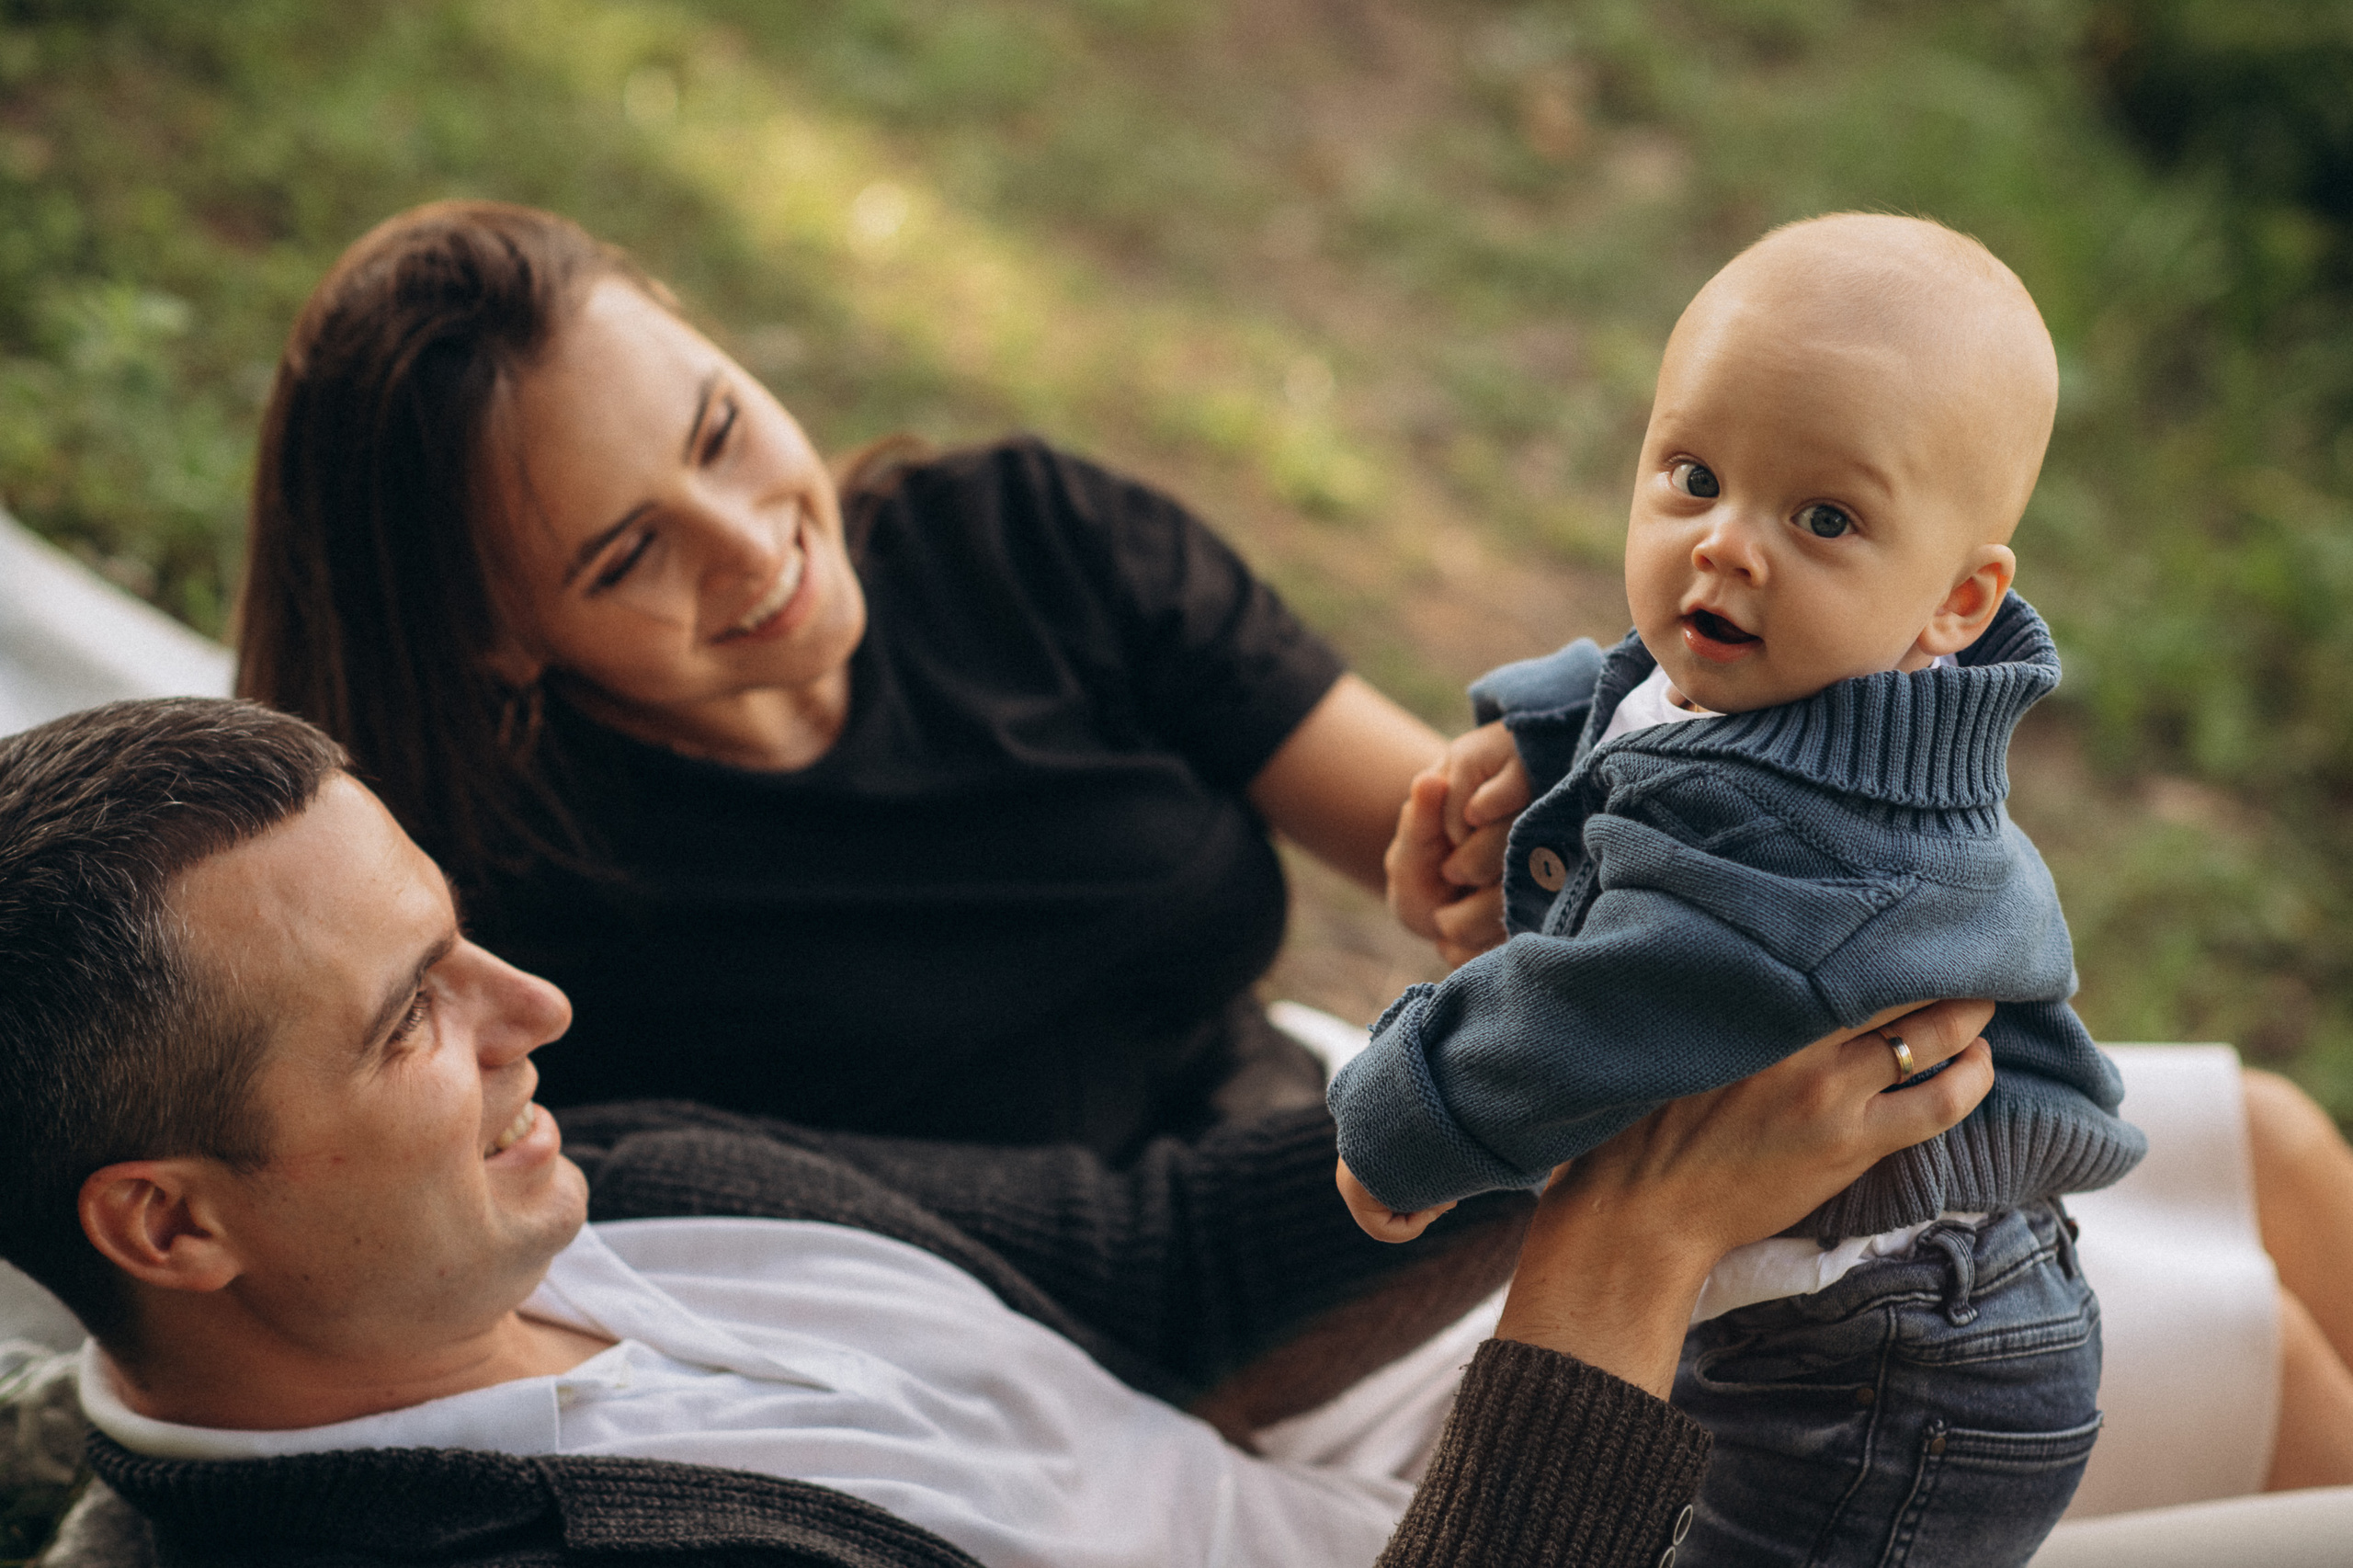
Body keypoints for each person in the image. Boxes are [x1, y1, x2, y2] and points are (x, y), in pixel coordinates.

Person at [0, 696, 1998, 1568]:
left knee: (2192, 1202)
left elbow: (1158, 1258)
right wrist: (1615, 1266)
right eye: (409, 1018)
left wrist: (1559, 1037)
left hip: (1429, 1452)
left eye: (464, 939)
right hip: (1543, 1476)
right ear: (169, 1224)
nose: (534, 1013)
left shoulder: (614, 1190)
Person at [233, 200, 1469, 1161]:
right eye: (629, 554)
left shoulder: (1029, 539)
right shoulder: (518, 920)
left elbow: (1480, 849)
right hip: (983, 1397)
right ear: (493, 637)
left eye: (718, 429)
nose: (749, 542)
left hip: (1333, 1174)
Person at [1331, 215, 2138, 1565]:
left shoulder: (1802, 846)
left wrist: (1410, 1114)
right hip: (1823, 1293)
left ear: (1955, 600)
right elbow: (1651, 688)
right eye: (1694, 475)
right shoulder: (1798, 666)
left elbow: (1591, 1007)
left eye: (1824, 517)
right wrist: (1533, 739)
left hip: (1903, 1369)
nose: (1728, 548)